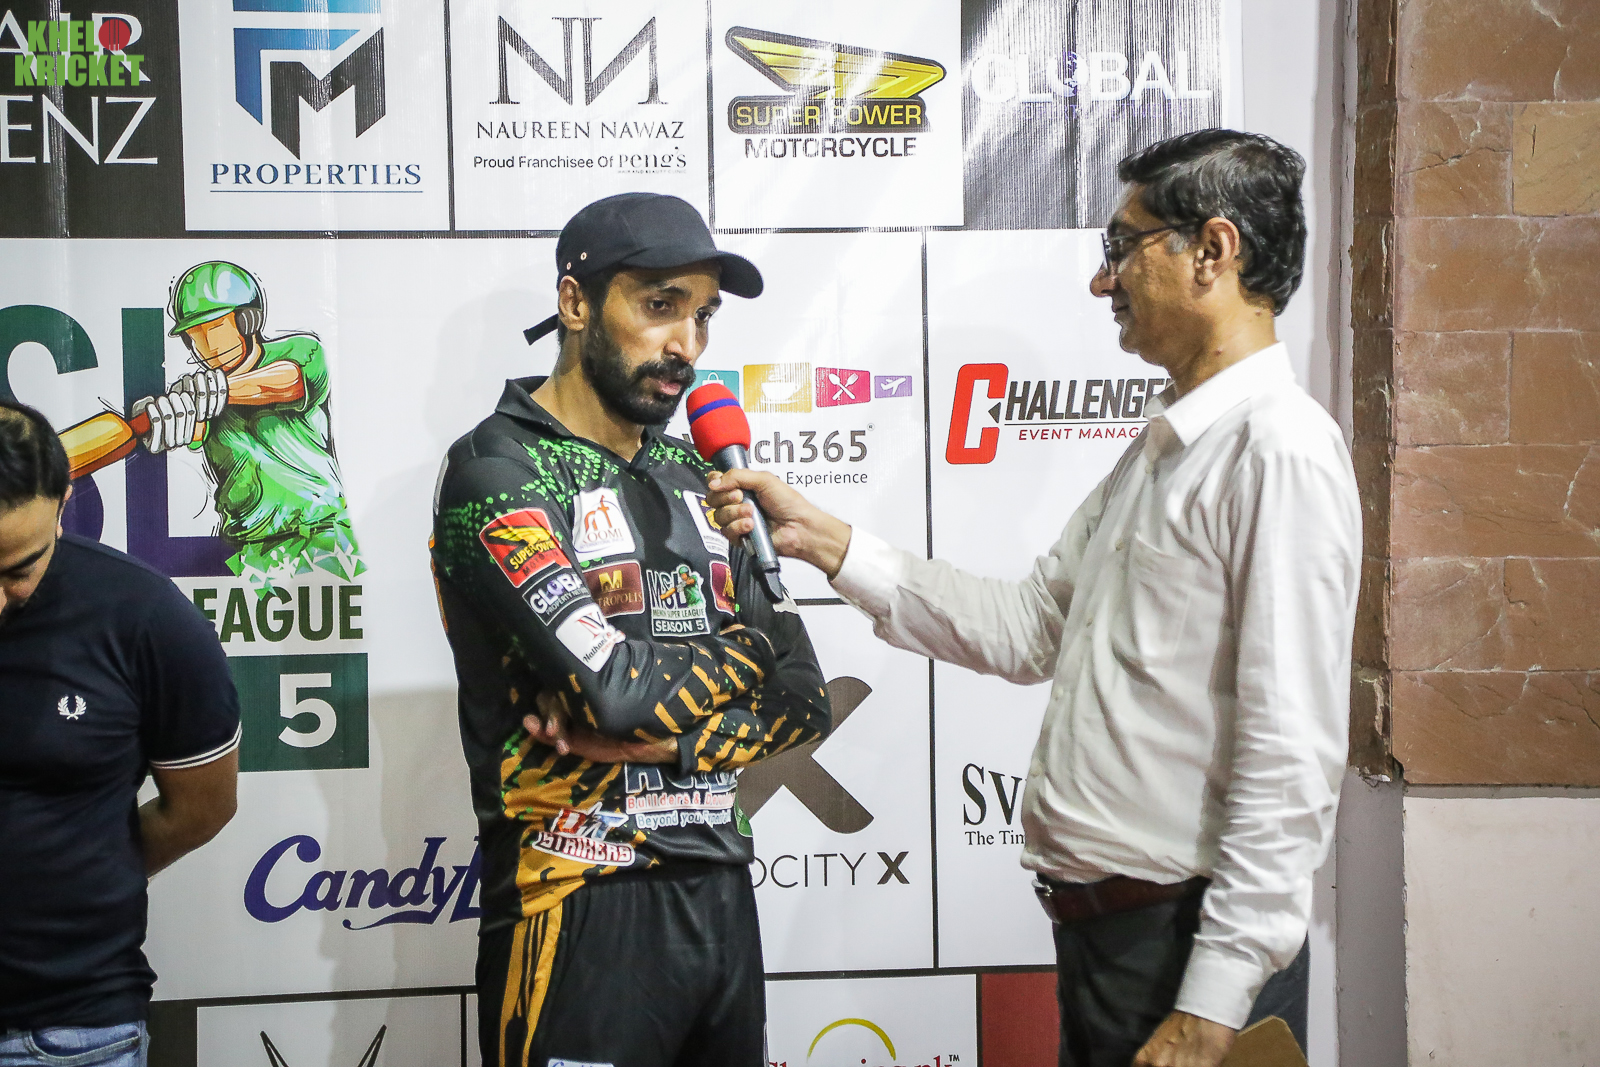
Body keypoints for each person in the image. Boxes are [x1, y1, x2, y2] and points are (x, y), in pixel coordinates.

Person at [706, 129, 1361, 1067]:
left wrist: (1212, 1002)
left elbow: (1290, 757)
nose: (1102, 281)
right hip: (1113, 944)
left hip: (1185, 957)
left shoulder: (1279, 451)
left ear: (1212, 251)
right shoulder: (1165, 448)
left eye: (1122, 246)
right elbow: (1030, 626)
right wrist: (824, 539)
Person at [429, 192, 831, 1067]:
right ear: (576, 303)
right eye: (660, 305)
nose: (686, 343)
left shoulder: (703, 475)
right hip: (575, 893)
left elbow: (806, 700)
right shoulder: (497, 467)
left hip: (721, 894)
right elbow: (612, 694)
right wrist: (750, 647)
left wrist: (675, 745)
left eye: (703, 315)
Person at [0, 400, 240, 1066]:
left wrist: (83, 871)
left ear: (63, 503)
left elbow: (202, 806)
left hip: (68, 1032)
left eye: (18, 570)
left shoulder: (144, 617)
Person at [142, 260, 362, 580]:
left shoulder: (302, 350)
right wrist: (160, 420)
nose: (206, 346)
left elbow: (287, 382)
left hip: (319, 534)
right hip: (250, 549)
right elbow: (195, 427)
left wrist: (217, 391)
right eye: (194, 335)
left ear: (248, 320)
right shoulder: (199, 394)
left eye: (215, 328)